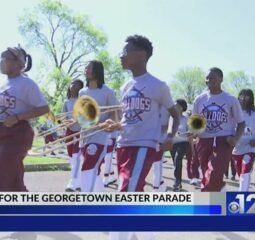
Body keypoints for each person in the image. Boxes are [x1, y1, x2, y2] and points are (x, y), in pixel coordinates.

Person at [103, 35, 179, 240]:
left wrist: (170, 137)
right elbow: (128, 119)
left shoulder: (158, 86)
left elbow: (175, 114)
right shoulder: (126, 86)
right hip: (123, 145)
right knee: (131, 193)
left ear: (141, 55)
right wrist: (115, 125)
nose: (121, 55)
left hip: (144, 146)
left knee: (126, 196)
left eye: (126, 51)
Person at [0, 45, 49, 192]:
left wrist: (18, 117)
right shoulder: (1, 85)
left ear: (19, 62)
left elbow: (44, 108)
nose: (0, 62)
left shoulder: (27, 84)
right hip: (1, 133)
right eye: (0, 58)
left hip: (19, 134)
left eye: (5, 58)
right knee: (13, 180)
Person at [192, 67, 245, 192]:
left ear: (221, 79)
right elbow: (195, 122)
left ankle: (206, 204)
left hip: (223, 141)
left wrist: (235, 139)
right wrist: (193, 131)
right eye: (207, 78)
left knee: (212, 175)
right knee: (206, 174)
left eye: (213, 77)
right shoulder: (199, 99)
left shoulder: (230, 99)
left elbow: (241, 123)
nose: (209, 80)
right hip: (203, 141)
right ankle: (220, 187)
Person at [79, 60, 119, 192]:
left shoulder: (107, 91)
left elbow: (116, 112)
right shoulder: (82, 92)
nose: (86, 70)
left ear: (97, 71)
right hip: (85, 136)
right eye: (86, 68)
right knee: (93, 171)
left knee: (87, 168)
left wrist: (109, 123)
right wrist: (74, 121)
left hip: (100, 137)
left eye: (89, 68)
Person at [231, 89, 255, 191]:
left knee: (245, 171)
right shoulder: (232, 113)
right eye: (241, 95)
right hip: (236, 149)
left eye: (246, 96)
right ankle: (245, 186)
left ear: (251, 98)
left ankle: (242, 196)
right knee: (241, 174)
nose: (243, 98)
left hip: (250, 148)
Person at [63, 79, 84, 191]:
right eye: (72, 84)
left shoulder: (82, 101)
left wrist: (76, 121)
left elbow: (84, 117)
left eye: (76, 84)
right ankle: (78, 182)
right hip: (69, 132)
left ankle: (73, 182)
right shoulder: (66, 102)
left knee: (76, 157)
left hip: (80, 132)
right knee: (72, 158)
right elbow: (63, 118)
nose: (73, 86)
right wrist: (63, 123)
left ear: (80, 87)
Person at [170, 99, 191, 191]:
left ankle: (177, 182)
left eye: (176, 105)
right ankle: (178, 180)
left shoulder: (186, 119)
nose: (174, 107)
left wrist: (190, 132)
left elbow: (191, 132)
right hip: (172, 144)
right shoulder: (170, 118)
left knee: (178, 159)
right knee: (176, 163)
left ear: (181, 108)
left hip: (183, 143)